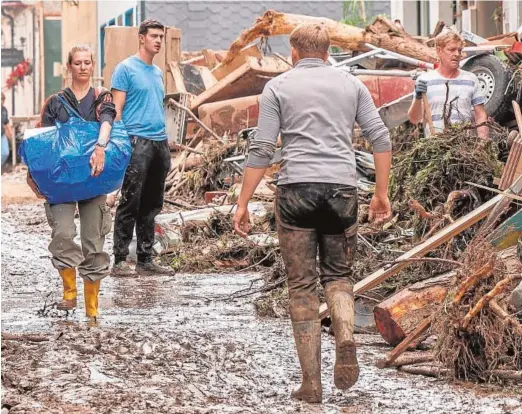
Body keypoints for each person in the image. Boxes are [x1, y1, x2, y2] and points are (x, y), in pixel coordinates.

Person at [232, 24, 392, 403]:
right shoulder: (351, 85)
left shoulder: (278, 87)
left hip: (296, 193)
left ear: (293, 52)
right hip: (341, 191)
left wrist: (242, 202)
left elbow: (261, 148)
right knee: (339, 275)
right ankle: (347, 335)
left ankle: (311, 383)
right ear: (327, 51)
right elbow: (381, 137)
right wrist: (381, 194)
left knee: (301, 285)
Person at [26, 44, 116, 321]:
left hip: (93, 179)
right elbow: (43, 141)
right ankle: (69, 295)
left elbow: (108, 119)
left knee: (94, 241)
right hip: (62, 181)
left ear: (93, 65)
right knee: (63, 234)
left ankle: (92, 309)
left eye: (87, 62)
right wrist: (34, 176)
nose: (83, 67)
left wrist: (100, 146)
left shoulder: (102, 97)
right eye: (77, 63)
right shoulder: (55, 102)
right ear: (69, 66)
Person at [111, 19, 172, 276]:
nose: (158, 41)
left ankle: (146, 259)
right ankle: (120, 259)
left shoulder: (157, 73)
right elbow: (116, 111)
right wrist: (119, 142)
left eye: (161, 36)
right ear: (141, 38)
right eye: (154, 36)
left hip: (160, 142)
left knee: (152, 203)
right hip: (136, 141)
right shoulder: (125, 69)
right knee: (130, 200)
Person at [408, 30, 488, 139]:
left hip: (464, 148)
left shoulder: (471, 80)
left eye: (459, 50)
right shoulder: (425, 80)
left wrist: (483, 142)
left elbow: (480, 116)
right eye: (451, 50)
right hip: (434, 147)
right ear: (439, 51)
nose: (457, 54)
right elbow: (415, 119)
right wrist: (417, 98)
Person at [1, 91, 13, 168]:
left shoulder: (4, 110)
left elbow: (6, 122)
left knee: (5, 152)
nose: (1, 102)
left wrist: (10, 133)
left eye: (2, 100)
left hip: (2, 134)